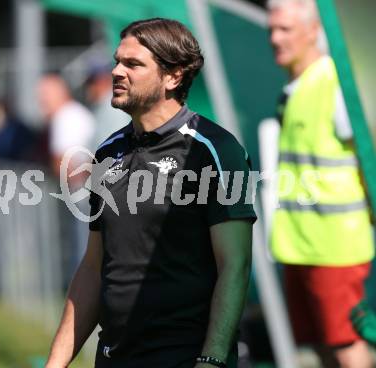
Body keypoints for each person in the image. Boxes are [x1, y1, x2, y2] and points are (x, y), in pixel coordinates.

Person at [45, 18, 256, 368]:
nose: (116, 71)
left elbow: (235, 265)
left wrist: (212, 359)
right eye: (117, 61)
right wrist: (55, 363)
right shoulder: (107, 153)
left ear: (173, 76)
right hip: (114, 356)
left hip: (183, 357)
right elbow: (94, 268)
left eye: (133, 64)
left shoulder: (215, 150)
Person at [267, 1, 374, 367]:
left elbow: (368, 151)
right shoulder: (298, 86)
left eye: (285, 29)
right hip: (301, 245)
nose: (274, 38)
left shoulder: (334, 82)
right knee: (320, 344)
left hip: (336, 247)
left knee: (346, 344)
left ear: (313, 31)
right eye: (272, 29)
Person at [37, 74, 96, 284]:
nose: (41, 100)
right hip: (83, 192)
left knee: (83, 253)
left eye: (45, 94)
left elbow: (63, 162)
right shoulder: (69, 116)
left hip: (83, 194)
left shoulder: (66, 117)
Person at [84, 62, 130, 148]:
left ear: (104, 81)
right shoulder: (100, 106)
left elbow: (116, 147)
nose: (88, 88)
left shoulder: (114, 108)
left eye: (92, 82)